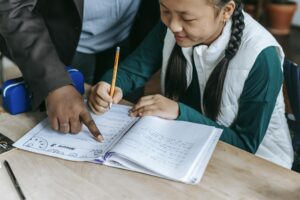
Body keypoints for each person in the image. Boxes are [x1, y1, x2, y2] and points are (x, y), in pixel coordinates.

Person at [88, 0, 294, 168]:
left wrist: (179, 112)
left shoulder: (262, 57)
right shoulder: (173, 23)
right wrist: (109, 84)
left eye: (188, 18)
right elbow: (133, 70)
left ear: (226, 11)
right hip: (184, 145)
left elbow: (246, 145)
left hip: (254, 166)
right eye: (164, 10)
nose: (173, 25)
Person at [0, 0, 159, 139]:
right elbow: (13, 8)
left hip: (130, 37)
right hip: (63, 43)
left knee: (123, 119)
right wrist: (54, 82)